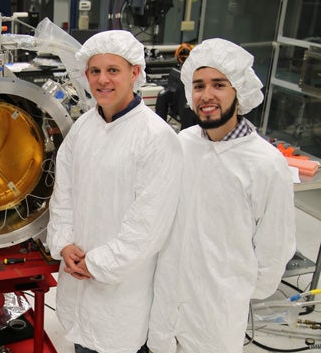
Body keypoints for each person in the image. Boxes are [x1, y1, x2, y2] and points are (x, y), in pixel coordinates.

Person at [148, 38, 296, 353]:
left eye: (219, 84)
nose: (207, 95)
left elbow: (275, 248)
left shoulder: (266, 164)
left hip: (216, 313)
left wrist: (231, 287)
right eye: (199, 85)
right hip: (165, 300)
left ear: (238, 90)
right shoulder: (182, 143)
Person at [46, 30, 183, 353]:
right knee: (83, 343)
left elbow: (149, 226)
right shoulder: (83, 129)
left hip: (121, 289)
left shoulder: (156, 137)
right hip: (78, 277)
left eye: (113, 70)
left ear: (135, 73)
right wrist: (63, 243)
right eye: (95, 71)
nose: (102, 80)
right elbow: (62, 195)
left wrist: (97, 264)